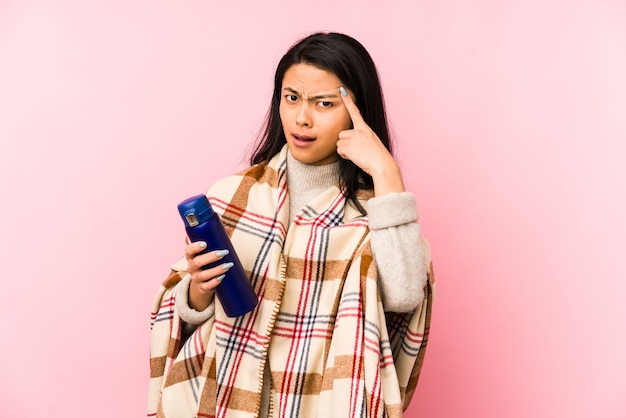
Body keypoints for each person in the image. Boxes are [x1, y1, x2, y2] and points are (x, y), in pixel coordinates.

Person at [148, 31, 434, 418]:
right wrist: (197, 291)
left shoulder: (377, 216)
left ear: (357, 111)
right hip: (222, 401)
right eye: (292, 97)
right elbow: (176, 314)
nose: (302, 117)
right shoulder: (233, 196)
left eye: (324, 103)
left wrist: (386, 172)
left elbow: (404, 297)